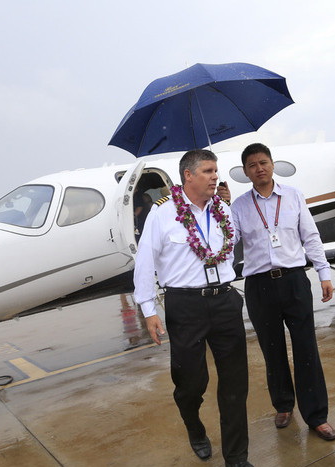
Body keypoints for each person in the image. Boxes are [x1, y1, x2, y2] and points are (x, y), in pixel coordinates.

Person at [133, 149, 252, 467]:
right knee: (190, 383)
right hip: (185, 306)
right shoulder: (163, 213)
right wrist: (148, 309)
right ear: (188, 175)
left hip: (225, 300)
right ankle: (194, 425)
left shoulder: (222, 209)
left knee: (235, 383)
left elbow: (232, 244)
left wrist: (227, 203)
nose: (215, 175)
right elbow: (145, 261)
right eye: (209, 171)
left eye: (216, 170)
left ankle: (237, 458)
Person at [226, 143, 335, 441]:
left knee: (306, 349)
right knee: (271, 349)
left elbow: (311, 237)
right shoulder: (237, 206)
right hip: (259, 286)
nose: (259, 168)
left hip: (294, 281)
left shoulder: (293, 197)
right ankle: (283, 405)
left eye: (263, 162)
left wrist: (324, 273)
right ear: (245, 172)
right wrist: (220, 209)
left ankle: (316, 416)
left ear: (272, 164)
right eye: (252, 165)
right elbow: (228, 242)